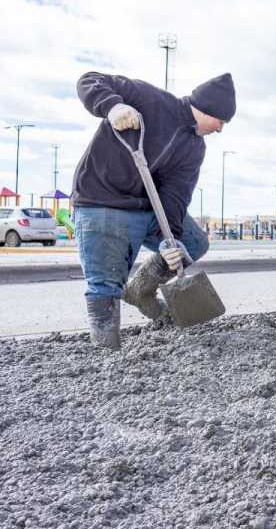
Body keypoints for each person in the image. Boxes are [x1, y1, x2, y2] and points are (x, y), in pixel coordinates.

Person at [73, 71, 235, 350]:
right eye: (220, 121)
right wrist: (112, 106)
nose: (220, 128)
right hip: (103, 202)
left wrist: (168, 240)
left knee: (192, 244)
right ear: (206, 109)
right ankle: (106, 351)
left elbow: (175, 195)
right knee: (106, 284)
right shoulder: (149, 99)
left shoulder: (194, 147)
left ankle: (139, 290)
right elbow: (89, 80)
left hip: (147, 207)